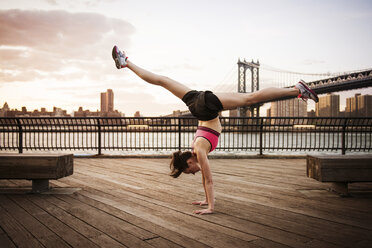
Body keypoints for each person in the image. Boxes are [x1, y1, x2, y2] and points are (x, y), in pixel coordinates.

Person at [112, 45, 319, 215]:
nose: (192, 173)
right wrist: (205, 199)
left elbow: (208, 180)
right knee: (162, 80)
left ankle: (297, 90)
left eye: (188, 170)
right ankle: (125, 62)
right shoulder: (196, 147)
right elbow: (204, 178)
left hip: (206, 107)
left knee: (251, 98)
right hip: (195, 104)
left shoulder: (200, 150)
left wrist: (211, 207)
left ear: (189, 161)